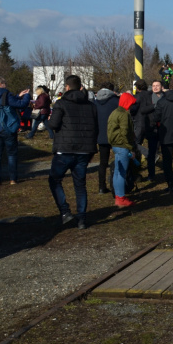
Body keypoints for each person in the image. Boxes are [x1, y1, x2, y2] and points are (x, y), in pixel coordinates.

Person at [47, 74, 98, 229]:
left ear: (67, 87)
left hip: (65, 149)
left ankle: (65, 211)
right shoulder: (91, 105)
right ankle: (82, 218)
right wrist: (91, 150)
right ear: (80, 87)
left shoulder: (61, 103)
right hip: (84, 150)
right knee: (80, 185)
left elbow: (53, 124)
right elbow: (95, 128)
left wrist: (50, 120)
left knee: (55, 180)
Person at [0, 77, 31, 186]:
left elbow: (2, 102)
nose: (6, 85)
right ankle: (12, 179)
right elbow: (21, 104)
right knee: (11, 154)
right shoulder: (5, 94)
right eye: (5, 83)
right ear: (1, 84)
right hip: (7, 127)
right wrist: (27, 96)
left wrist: (18, 96)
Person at [107, 92, 138, 207]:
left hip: (116, 145)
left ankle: (118, 196)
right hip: (122, 146)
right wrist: (130, 148)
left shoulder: (114, 112)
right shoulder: (124, 115)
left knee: (117, 172)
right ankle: (121, 198)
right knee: (121, 173)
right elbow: (125, 132)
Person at [93, 82, 119, 194]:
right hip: (115, 134)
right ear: (112, 90)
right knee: (119, 160)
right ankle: (117, 185)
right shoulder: (116, 101)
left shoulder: (95, 102)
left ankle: (101, 186)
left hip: (101, 135)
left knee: (103, 162)